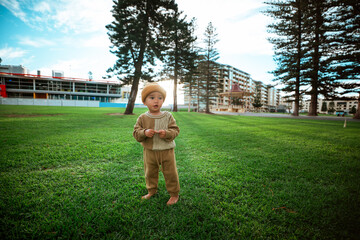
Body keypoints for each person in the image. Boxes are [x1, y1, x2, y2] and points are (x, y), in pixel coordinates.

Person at [133, 83, 180, 205]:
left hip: (167, 151)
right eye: (152, 97)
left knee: (171, 173)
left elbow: (175, 130)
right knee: (150, 172)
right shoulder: (142, 118)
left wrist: (167, 133)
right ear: (144, 102)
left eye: (160, 98)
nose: (156, 101)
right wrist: (144, 132)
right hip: (149, 151)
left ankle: (174, 194)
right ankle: (151, 190)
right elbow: (136, 133)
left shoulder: (168, 116)